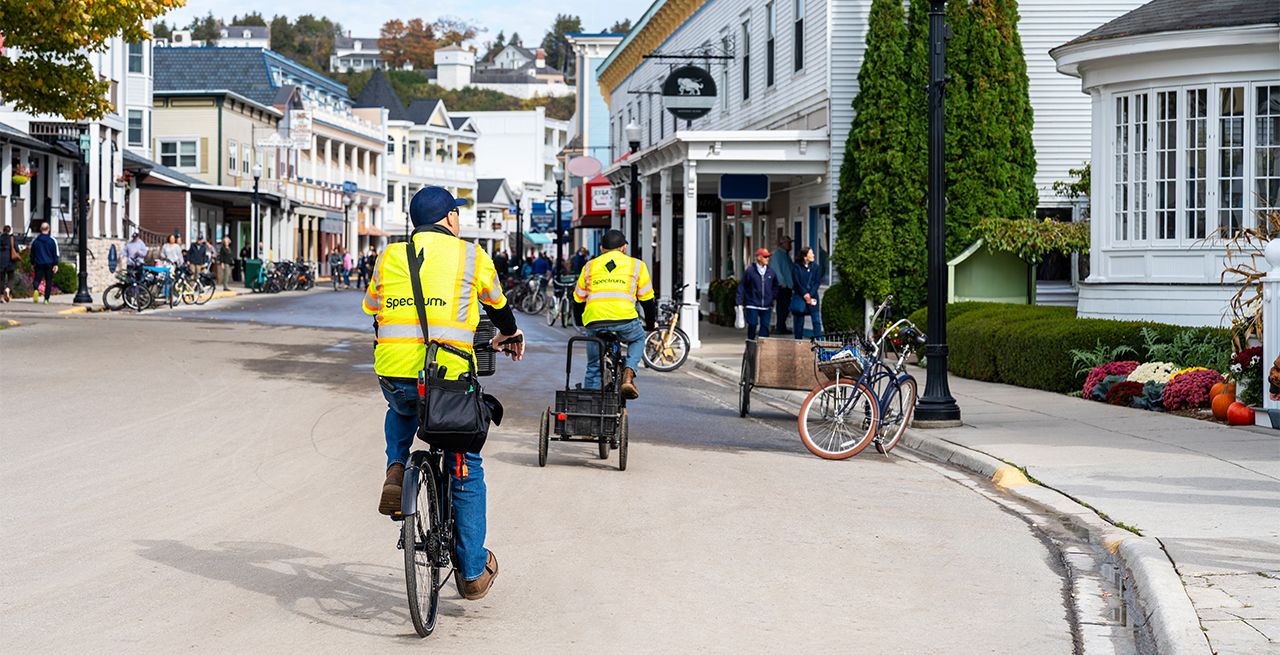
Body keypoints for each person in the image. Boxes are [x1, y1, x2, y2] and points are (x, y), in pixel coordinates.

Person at [364, 185, 523, 601]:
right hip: (448, 381)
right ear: (451, 218)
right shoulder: (470, 255)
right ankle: (471, 573)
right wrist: (509, 334)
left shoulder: (388, 256)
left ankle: (396, 468)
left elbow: (373, 309)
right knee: (464, 461)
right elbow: (498, 307)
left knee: (402, 404)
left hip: (394, 372)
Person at [572, 229, 656, 399]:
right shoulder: (637, 265)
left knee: (594, 365)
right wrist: (650, 322)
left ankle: (591, 406)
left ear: (602, 248)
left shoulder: (589, 266)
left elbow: (578, 299)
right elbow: (647, 299)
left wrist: (581, 322)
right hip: (625, 319)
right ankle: (629, 373)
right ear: (623, 248)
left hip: (595, 321)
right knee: (638, 338)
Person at [735, 248, 779, 340]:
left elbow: (775, 285)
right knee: (752, 324)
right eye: (765, 257)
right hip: (752, 304)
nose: (767, 259)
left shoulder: (771, 272)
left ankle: (763, 348)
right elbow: (742, 286)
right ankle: (750, 343)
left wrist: (772, 296)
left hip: (766, 305)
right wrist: (739, 301)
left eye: (768, 257)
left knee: (765, 327)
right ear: (759, 258)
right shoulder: (750, 271)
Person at [791, 246, 824, 339]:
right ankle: (798, 342)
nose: (813, 255)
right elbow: (797, 283)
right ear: (805, 256)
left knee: (816, 321)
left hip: (813, 297)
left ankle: (819, 342)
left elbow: (817, 282)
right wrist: (805, 294)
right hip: (801, 298)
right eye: (811, 253)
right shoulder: (796, 268)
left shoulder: (816, 267)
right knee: (799, 323)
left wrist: (810, 294)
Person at [770, 236, 795, 335]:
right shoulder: (777, 255)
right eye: (788, 243)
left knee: (786, 307)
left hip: (788, 285)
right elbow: (777, 270)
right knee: (782, 307)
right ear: (783, 244)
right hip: (783, 286)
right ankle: (780, 327)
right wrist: (782, 283)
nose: (790, 245)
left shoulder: (786, 255)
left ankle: (782, 326)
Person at [30, 223, 59, 304]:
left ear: (41, 229)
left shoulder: (36, 242)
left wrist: (32, 262)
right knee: (48, 281)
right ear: (48, 229)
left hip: (39, 263)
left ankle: (36, 289)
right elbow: (55, 254)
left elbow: (32, 254)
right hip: (49, 263)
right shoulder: (52, 241)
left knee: (37, 279)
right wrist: (55, 264)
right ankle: (46, 299)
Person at [0, 225, 17, 303]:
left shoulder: (0, 238)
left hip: (1, 261)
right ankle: (8, 289)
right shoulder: (12, 238)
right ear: (10, 231)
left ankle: (1, 297)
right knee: (11, 277)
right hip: (10, 260)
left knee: (1, 279)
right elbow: (16, 248)